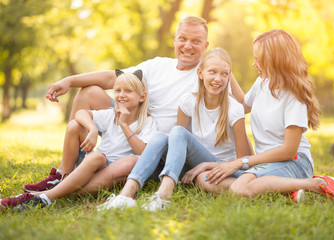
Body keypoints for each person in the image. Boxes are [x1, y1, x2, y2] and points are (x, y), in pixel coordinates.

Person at [23, 16, 245, 193]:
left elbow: (242, 105)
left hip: (153, 146)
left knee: (133, 157)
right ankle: (63, 172)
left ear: (205, 45)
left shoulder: (207, 77)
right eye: (183, 39)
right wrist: (69, 81)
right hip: (129, 125)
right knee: (88, 93)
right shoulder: (158, 65)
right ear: (174, 39)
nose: (188, 46)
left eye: (196, 41)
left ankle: (68, 187)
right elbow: (114, 78)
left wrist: (225, 67)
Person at [194, 29, 334, 203]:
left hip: (294, 162)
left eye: (258, 59)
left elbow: (288, 151)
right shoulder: (262, 82)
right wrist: (225, 70)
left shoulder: (294, 96)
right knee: (205, 179)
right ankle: (285, 188)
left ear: (273, 61)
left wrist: (240, 162)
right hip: (264, 164)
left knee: (238, 188)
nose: (254, 64)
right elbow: (242, 106)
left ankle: (316, 183)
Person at [96, 48, 253, 211]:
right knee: (161, 137)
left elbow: (240, 162)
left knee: (177, 132)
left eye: (224, 74)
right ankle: (126, 195)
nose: (218, 79)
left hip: (223, 167)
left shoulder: (234, 109)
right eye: (212, 72)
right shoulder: (188, 101)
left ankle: (163, 196)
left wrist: (205, 165)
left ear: (229, 77)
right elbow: (176, 144)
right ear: (200, 73)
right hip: (195, 165)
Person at [1, 70, 156, 211]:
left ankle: (44, 196)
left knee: (132, 161)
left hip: (115, 170)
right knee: (77, 128)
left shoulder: (147, 122)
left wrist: (123, 124)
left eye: (128, 91)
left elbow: (143, 152)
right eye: (118, 90)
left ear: (142, 97)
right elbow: (81, 113)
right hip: (94, 163)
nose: (121, 95)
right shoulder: (110, 115)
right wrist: (93, 129)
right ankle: (63, 178)